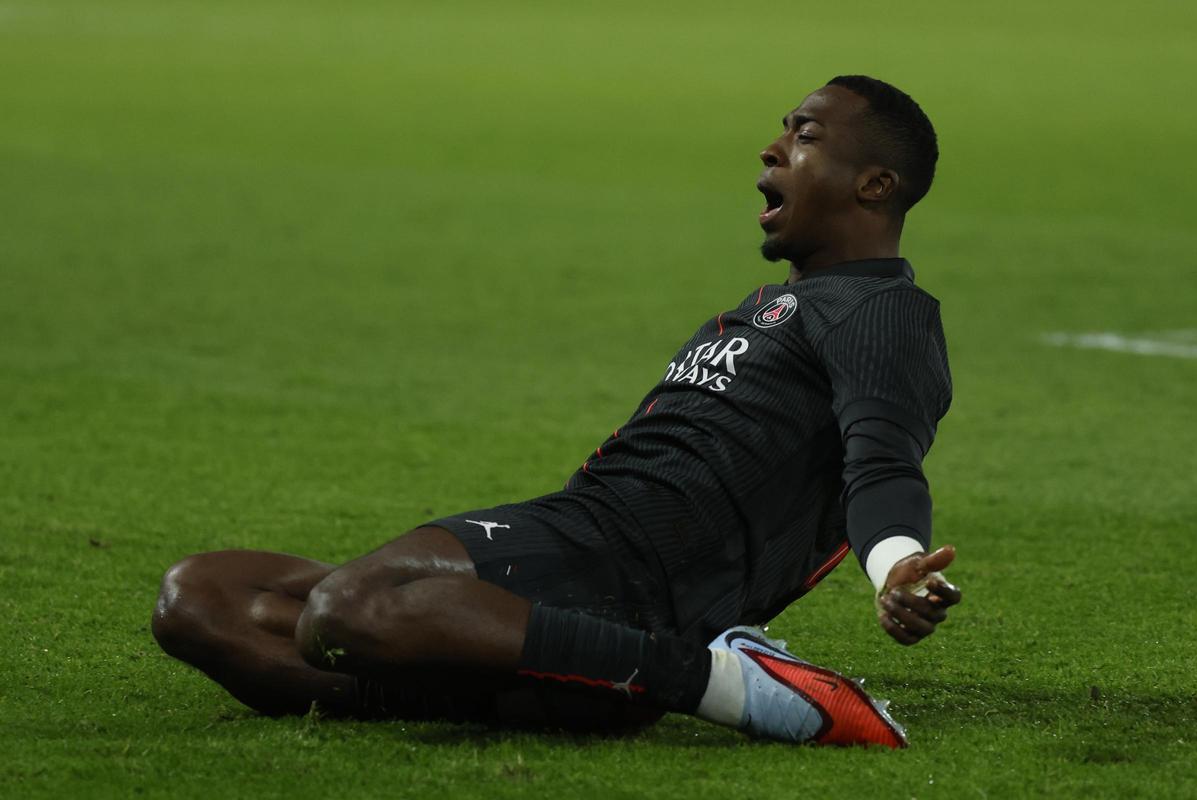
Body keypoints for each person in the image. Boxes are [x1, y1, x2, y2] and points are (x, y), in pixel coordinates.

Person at [151, 75, 962, 748]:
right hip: (573, 542)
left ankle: (724, 683)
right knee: (199, 599)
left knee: (347, 611)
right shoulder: (767, 308)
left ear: (875, 183)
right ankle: (535, 685)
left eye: (807, 134)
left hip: (634, 579)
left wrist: (894, 562)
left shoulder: (883, 314)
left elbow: (882, 459)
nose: (774, 146)